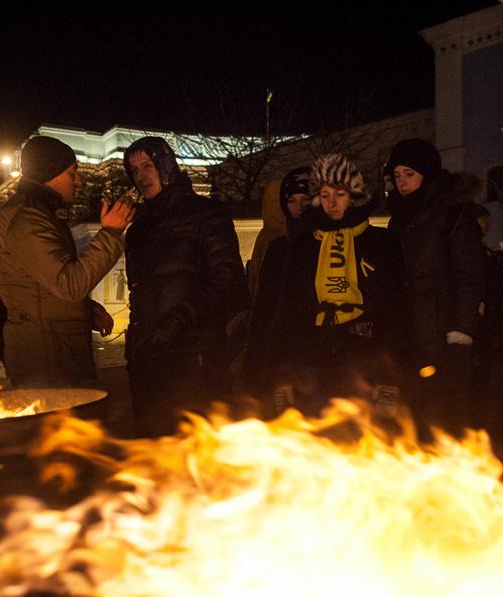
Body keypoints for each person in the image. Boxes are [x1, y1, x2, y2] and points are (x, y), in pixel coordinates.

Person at [247, 153, 405, 421]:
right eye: (325, 194)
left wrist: (390, 376)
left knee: (362, 439)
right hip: (312, 356)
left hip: (364, 355)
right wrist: (279, 373)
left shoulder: (381, 242)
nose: (332, 203)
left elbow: (395, 309)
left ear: (354, 195)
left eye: (340, 194)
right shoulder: (304, 245)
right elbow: (287, 312)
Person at [123, 136, 247, 437]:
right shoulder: (138, 229)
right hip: (149, 357)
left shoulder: (206, 214)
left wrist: (183, 316)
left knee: (196, 447)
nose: (141, 176)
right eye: (134, 169)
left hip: (196, 355)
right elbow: (139, 289)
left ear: (165, 166)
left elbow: (228, 277)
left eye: (148, 166)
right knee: (154, 450)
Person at [0, 135, 133, 388]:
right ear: (50, 173)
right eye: (72, 172)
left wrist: (86, 311)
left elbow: (45, 288)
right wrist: (110, 234)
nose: (78, 180)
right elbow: (69, 284)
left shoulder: (38, 214)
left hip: (53, 351)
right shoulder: (27, 219)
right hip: (45, 360)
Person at [385, 138, 485, 436]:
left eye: (409, 174)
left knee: (444, 415)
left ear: (427, 174)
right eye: (397, 175)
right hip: (407, 331)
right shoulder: (398, 219)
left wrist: (460, 332)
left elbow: (470, 275)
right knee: (410, 417)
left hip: (440, 332)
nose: (402, 182)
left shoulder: (454, 215)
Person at [246, 167, 311, 300]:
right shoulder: (275, 241)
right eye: (292, 201)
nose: (299, 207)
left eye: (305, 199)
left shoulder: (270, 236)